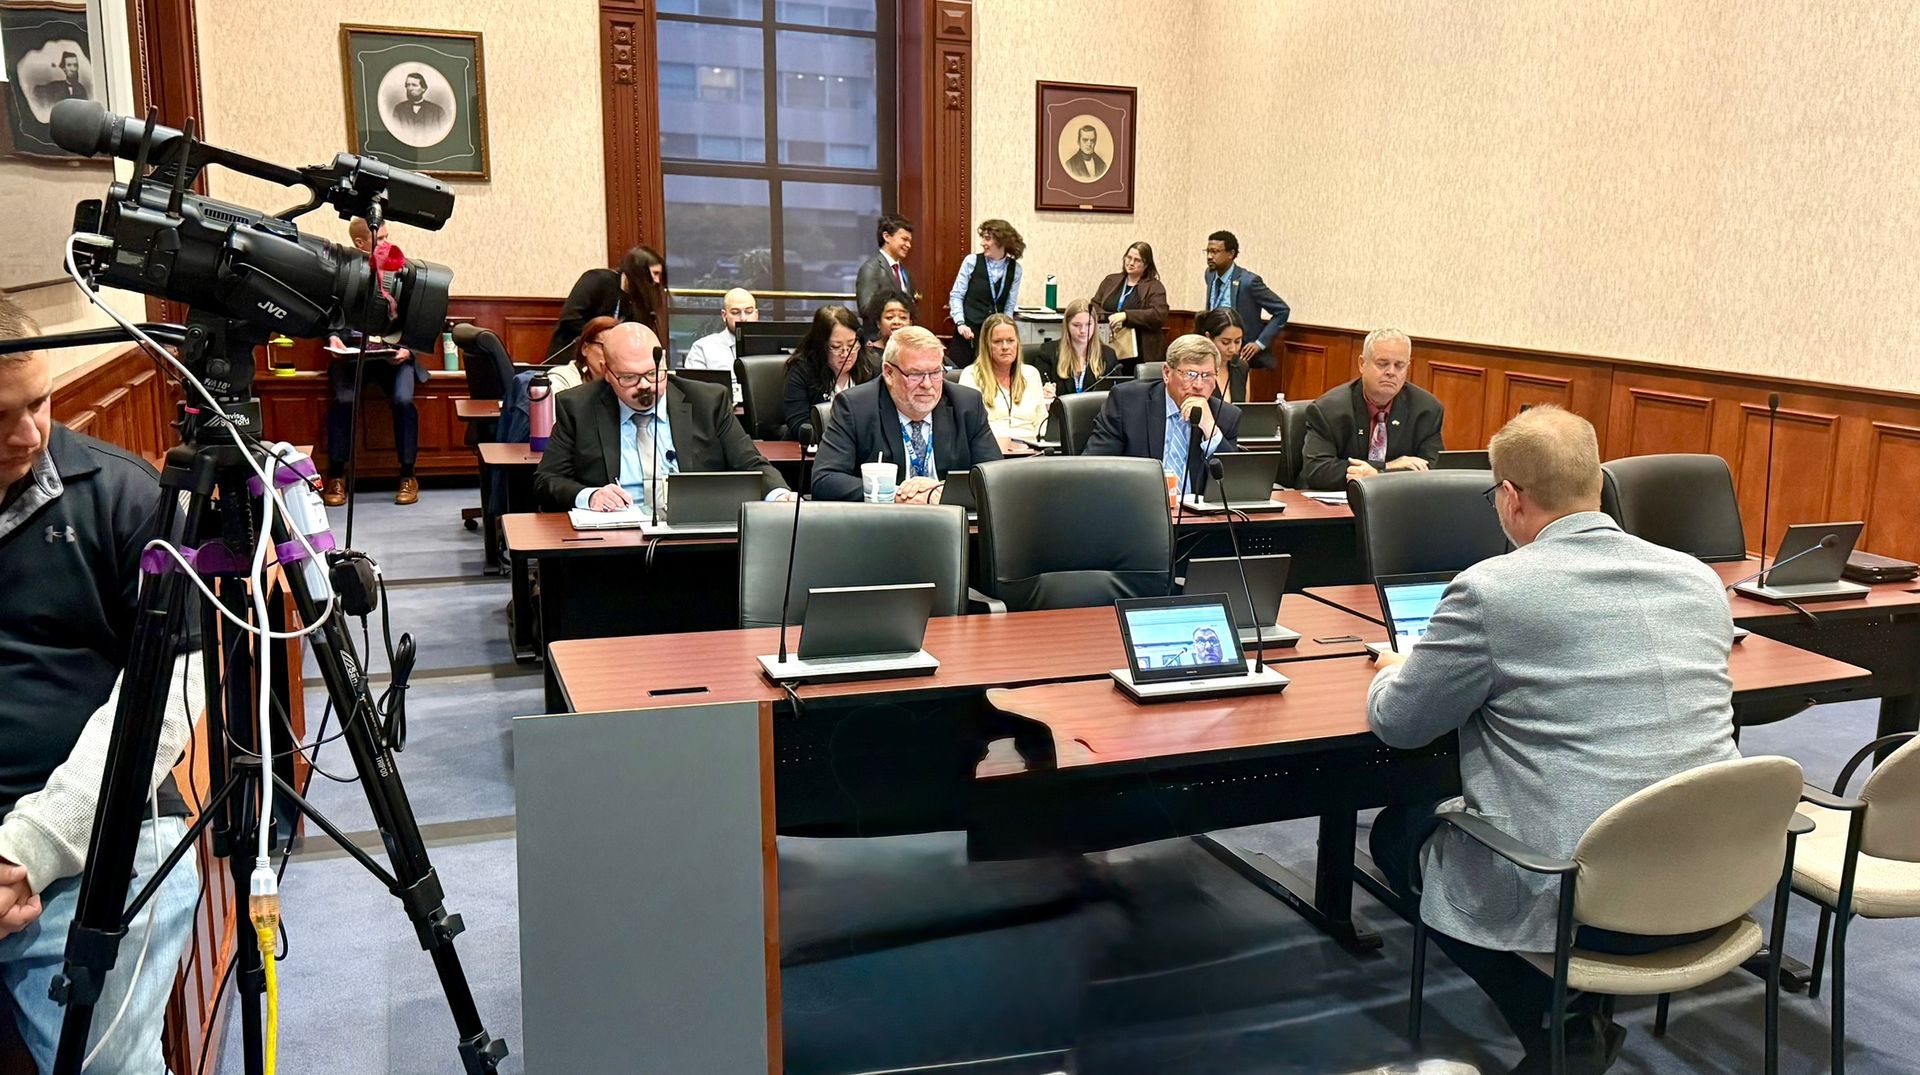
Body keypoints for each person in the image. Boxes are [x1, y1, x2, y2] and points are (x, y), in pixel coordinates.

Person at [1367, 405, 1743, 1074]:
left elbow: (1400, 723)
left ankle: (1559, 1023)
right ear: (1596, 481)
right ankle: (1573, 1017)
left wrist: (1394, 669)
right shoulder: (1698, 579)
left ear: (1510, 499)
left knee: (1398, 832)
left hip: (1582, 897)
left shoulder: (1492, 590)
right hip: (1714, 876)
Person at [0, 296, 202, 1074]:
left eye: (40, 403)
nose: (28, 434)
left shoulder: (121, 495)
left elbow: (174, 696)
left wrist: (28, 851)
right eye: (1, 416)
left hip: (98, 836)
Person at [533, 321, 793, 512]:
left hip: (691, 535)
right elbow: (547, 481)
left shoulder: (707, 401)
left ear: (664, 361)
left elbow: (751, 464)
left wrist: (780, 495)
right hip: (614, 538)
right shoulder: (578, 407)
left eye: (652, 373)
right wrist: (589, 496)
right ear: (607, 373)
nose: (644, 385)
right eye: (629, 378)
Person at [811, 326, 1002, 504]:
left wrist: (940, 490)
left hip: (954, 522)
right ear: (888, 372)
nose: (927, 384)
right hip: (884, 528)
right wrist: (895, 495)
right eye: (915, 374)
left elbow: (997, 479)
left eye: (935, 372)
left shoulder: (967, 405)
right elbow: (825, 480)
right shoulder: (855, 407)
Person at [321, 218, 426, 507]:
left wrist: (408, 349)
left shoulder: (405, 270)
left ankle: (408, 475)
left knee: (404, 401)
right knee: (343, 401)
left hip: (393, 358)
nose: (387, 245)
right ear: (360, 244)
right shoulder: (342, 271)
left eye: (388, 238)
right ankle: (337, 476)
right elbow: (330, 317)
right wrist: (333, 339)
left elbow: (418, 318)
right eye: (380, 240)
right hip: (354, 358)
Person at [1085, 334, 1241, 499]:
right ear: (1167, 372)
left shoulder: (1225, 416)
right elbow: (1094, 468)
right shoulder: (1127, 403)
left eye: (1207, 375)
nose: (1199, 385)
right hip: (1136, 511)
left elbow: (1235, 486)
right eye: (1190, 374)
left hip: (1198, 519)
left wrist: (1211, 430)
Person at [1297, 327, 1445, 491]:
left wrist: (1378, 473)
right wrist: (1384, 468)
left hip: (1398, 504)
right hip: (1335, 505)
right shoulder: (1328, 410)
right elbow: (1318, 470)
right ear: (1362, 364)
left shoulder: (1426, 409)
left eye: (1399, 366)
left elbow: (1433, 469)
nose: (1391, 372)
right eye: (1382, 364)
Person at [1201, 230, 1291, 401]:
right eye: (1208, 251)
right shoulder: (1210, 274)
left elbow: (1282, 310)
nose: (1210, 257)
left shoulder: (1249, 282)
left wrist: (1259, 343)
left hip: (1238, 354)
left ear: (1231, 254)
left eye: (1215, 252)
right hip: (1212, 350)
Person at [549, 244, 669, 362]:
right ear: (638, 272)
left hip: (612, 362)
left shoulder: (640, 301)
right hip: (572, 357)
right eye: (655, 273)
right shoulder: (597, 280)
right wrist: (603, 339)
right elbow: (571, 318)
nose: (657, 281)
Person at [781, 305, 872, 443]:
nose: (846, 354)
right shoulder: (802, 370)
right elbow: (800, 427)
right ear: (820, 345)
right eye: (836, 347)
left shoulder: (871, 368)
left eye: (852, 345)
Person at [946, 219, 1024, 365]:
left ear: (1002, 241)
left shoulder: (1015, 270)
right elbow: (956, 295)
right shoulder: (972, 261)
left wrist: (1006, 330)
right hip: (968, 332)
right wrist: (960, 323)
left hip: (994, 336)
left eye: (987, 238)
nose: (982, 243)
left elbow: (1009, 307)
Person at [967, 313, 1047, 445]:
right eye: (998, 341)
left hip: (1030, 451)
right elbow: (969, 427)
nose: (1005, 347)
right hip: (990, 450)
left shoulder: (1031, 374)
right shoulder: (971, 375)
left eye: (1010, 340)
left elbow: (1042, 420)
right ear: (986, 345)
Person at [1092, 242, 1169, 365]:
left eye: (1137, 260)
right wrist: (1108, 318)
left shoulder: (1155, 287)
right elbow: (1095, 305)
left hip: (1141, 351)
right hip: (1108, 344)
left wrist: (1126, 316)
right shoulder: (1110, 280)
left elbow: (1159, 314)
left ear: (1146, 265)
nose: (1131, 263)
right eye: (1129, 258)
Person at [682, 288, 758, 401]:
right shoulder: (703, 348)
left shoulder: (772, 347)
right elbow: (694, 394)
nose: (743, 318)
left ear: (756, 314)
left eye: (748, 311)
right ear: (724, 315)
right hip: (719, 415)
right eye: (735, 312)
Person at [1039, 298, 1122, 396]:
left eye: (1088, 324)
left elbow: (1118, 393)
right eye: (1076, 325)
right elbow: (1038, 388)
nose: (1083, 330)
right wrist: (1045, 392)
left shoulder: (1108, 355)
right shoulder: (1048, 352)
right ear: (1067, 325)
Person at [854, 214, 914, 321]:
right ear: (886, 236)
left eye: (910, 241)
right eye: (904, 239)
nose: (908, 245)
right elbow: (865, 309)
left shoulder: (903, 271)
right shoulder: (871, 268)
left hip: (902, 335)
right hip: (878, 336)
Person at [543, 315, 616, 396]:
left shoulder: (623, 381)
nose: (610, 354)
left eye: (616, 348)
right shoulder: (561, 379)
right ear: (585, 348)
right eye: (604, 347)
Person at [1195, 307, 1245, 402]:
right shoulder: (1195, 367)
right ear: (1208, 337)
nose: (1233, 349)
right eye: (1225, 342)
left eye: (1237, 341)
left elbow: (1244, 410)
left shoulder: (1241, 367)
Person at [860, 288, 914, 368]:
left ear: (910, 323)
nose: (896, 322)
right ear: (878, 323)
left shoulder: (916, 351)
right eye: (889, 317)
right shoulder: (868, 355)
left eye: (903, 317)